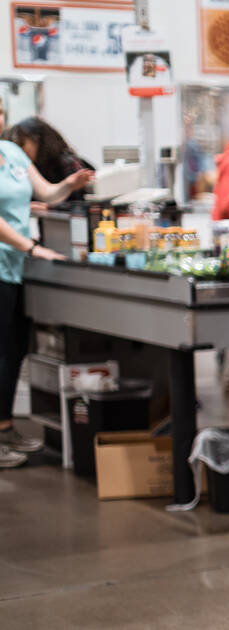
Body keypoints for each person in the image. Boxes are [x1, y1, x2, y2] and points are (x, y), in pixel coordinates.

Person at [0, 138, 92, 468]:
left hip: (15, 267)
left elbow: (45, 193)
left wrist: (69, 183)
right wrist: (30, 247)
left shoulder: (12, 152)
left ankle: (5, 428)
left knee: (13, 351)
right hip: (10, 259)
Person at [4, 117, 95, 202]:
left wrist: (49, 207)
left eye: (22, 144)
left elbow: (80, 203)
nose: (20, 151)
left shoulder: (67, 162)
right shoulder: (31, 166)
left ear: (37, 140)